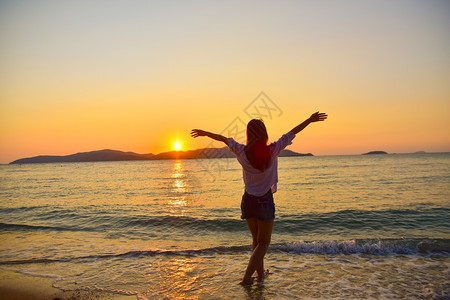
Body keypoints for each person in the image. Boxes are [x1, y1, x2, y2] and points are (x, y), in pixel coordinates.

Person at [191, 111, 327, 285]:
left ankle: (260, 276)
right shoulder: (273, 150)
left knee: (256, 241)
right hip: (264, 200)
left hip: (248, 200)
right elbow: (293, 132)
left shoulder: (241, 150)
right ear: (264, 134)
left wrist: (204, 133)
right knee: (264, 243)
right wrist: (309, 120)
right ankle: (246, 278)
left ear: (249, 135)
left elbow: (223, 138)